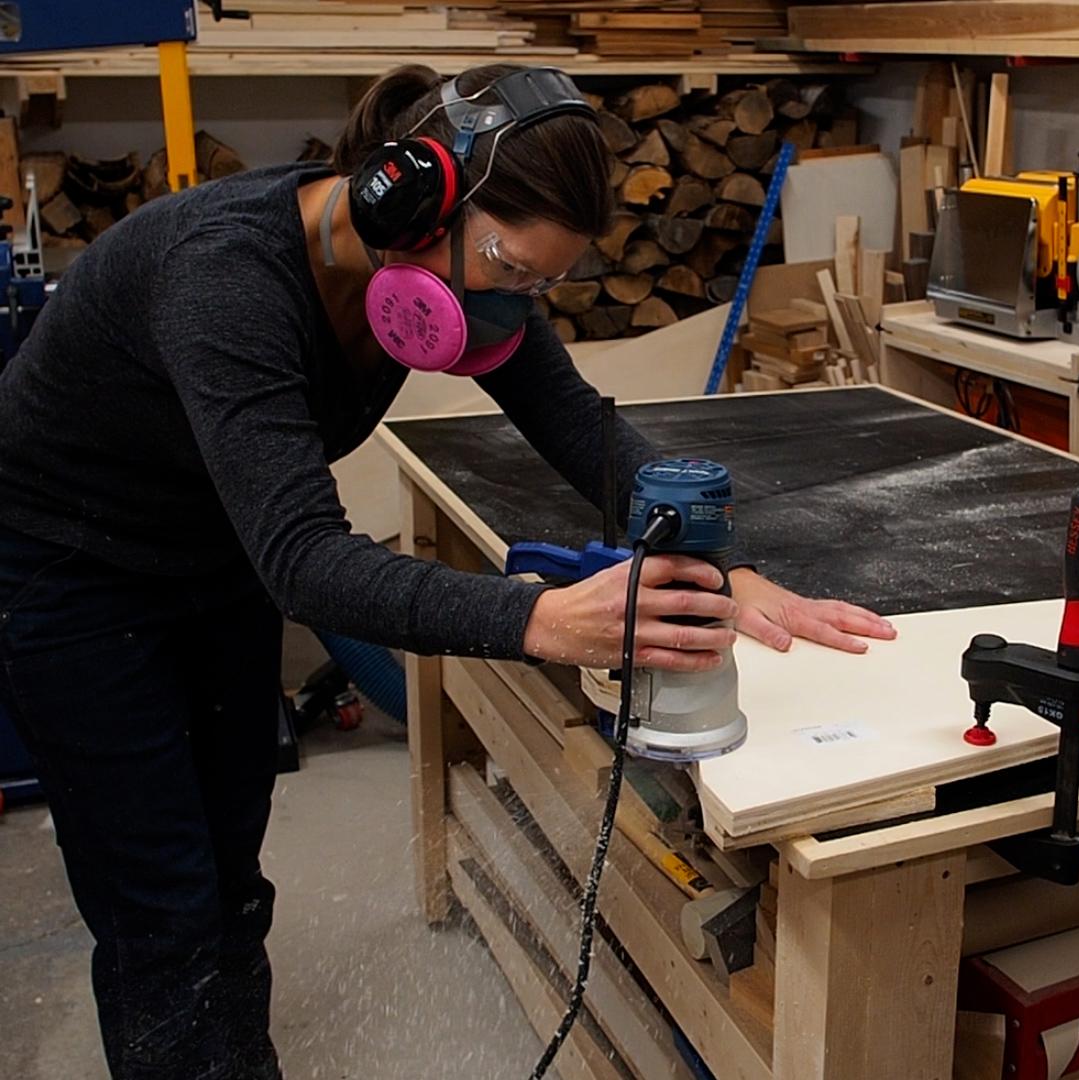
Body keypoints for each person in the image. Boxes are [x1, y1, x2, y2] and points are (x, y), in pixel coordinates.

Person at [0, 63, 896, 1079]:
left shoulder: (460, 266)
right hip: (69, 564)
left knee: (228, 872)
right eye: (512, 270)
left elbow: (577, 428)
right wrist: (542, 620)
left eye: (542, 285)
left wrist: (718, 558)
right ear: (412, 199)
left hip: (209, 548)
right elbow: (305, 561)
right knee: (159, 905)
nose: (520, 307)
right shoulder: (228, 280)